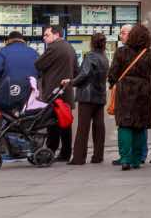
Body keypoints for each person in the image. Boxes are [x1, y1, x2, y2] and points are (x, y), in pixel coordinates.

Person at [107, 23, 151, 170]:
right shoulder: (150, 53)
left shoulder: (121, 52)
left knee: (124, 125)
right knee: (140, 126)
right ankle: (136, 159)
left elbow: (113, 74)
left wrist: (114, 83)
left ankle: (125, 159)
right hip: (144, 92)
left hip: (124, 91)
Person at [35, 23, 78, 162]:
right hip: (66, 92)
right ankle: (65, 152)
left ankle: (50, 150)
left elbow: (38, 64)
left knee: (52, 123)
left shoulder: (54, 47)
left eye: (47, 35)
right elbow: (76, 70)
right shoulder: (70, 47)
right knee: (65, 123)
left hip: (54, 93)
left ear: (57, 35)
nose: (44, 38)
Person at [69, 33, 110, 165]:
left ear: (92, 43)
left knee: (83, 127)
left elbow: (84, 74)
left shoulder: (91, 56)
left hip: (87, 96)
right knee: (99, 126)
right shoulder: (104, 57)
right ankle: (98, 156)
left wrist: (71, 82)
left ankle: (79, 157)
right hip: (100, 95)